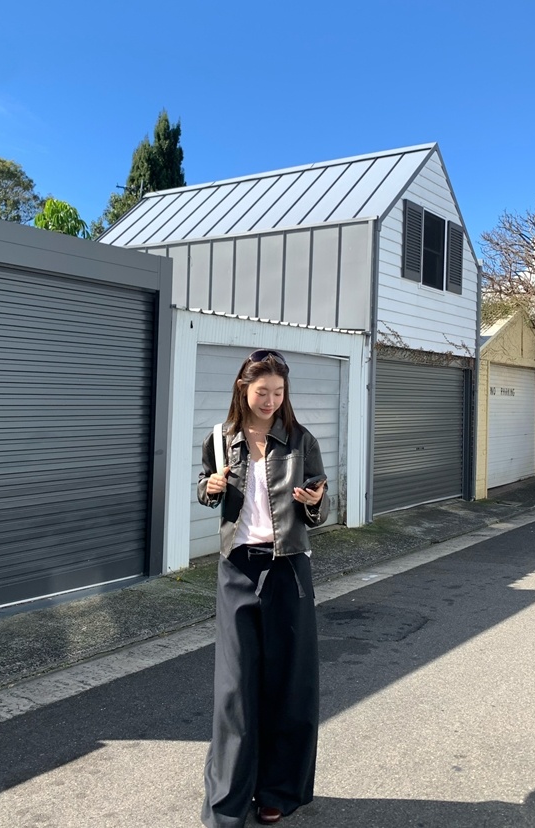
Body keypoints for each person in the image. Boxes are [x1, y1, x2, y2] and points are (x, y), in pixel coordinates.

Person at [198, 349, 329, 828]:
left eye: (278, 392)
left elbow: (319, 510)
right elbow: (205, 488)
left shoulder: (301, 439)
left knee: (289, 684)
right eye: (262, 392)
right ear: (243, 389)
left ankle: (277, 790)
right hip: (237, 569)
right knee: (234, 691)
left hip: (288, 569)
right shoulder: (220, 437)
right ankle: (227, 803)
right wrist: (210, 488)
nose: (270, 400)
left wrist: (314, 500)